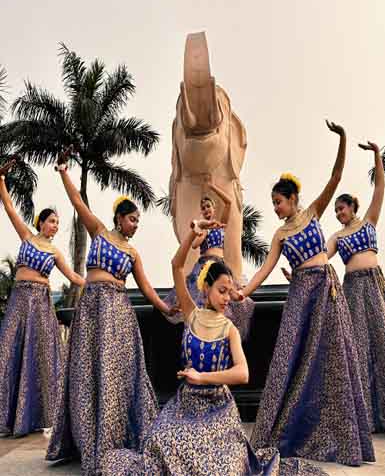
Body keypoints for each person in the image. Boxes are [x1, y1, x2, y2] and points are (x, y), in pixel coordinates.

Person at [102, 219, 328, 476]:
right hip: (185, 406)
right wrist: (192, 232)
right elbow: (176, 266)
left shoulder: (229, 328)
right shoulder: (191, 314)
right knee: (160, 445)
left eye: (230, 292)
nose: (226, 298)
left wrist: (202, 377)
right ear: (206, 288)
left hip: (218, 406)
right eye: (222, 291)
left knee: (224, 468)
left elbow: (243, 374)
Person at [238, 121, 374, 465]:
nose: (275, 208)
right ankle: (277, 431)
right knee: (289, 356)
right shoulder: (280, 234)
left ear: (293, 199)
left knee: (335, 357)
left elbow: (336, 176)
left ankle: (340, 437)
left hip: (326, 288)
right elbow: (264, 268)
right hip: (301, 291)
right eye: (273, 203)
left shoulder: (313, 212)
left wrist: (342, 138)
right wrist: (244, 292)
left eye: (278, 202)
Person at [46, 151, 175, 476]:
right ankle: (85, 441)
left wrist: (165, 308)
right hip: (91, 309)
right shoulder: (99, 231)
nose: (135, 226)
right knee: (86, 372)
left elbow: (146, 288)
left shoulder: (133, 252)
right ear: (120, 218)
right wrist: (64, 171)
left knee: (114, 374)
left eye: (138, 222)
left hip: (117, 314)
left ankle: (113, 439)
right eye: (132, 220)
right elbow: (77, 203)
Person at [0, 160, 84, 437]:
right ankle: (6, 418)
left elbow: (73, 277)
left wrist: (100, 281)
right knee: (7, 351)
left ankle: (40, 418)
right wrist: (1, 179)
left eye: (58, 223)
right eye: (51, 221)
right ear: (41, 222)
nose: (55, 226)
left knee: (41, 358)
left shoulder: (56, 252)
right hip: (18, 299)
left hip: (40, 304)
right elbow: (10, 208)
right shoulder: (26, 237)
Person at [326, 141, 385, 433]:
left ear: (352, 207)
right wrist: (300, 272)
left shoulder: (369, 222)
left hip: (373, 285)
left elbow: (379, 190)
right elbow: (322, 256)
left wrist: (376, 155)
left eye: (341, 208)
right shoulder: (337, 235)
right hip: (352, 289)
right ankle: (364, 419)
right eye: (336, 210)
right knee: (358, 347)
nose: (338, 213)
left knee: (382, 342)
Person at [164, 178, 255, 340]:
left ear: (214, 208)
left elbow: (228, 203)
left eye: (208, 206)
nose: (206, 209)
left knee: (230, 298)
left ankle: (222, 335)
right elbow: (195, 246)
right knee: (201, 301)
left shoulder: (221, 224)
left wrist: (213, 186)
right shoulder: (205, 229)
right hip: (205, 266)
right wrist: (201, 228)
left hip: (220, 266)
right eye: (203, 208)